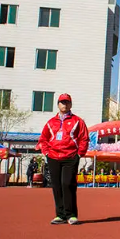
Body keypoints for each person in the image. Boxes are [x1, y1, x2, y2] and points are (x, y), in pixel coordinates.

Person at [37, 94, 89, 225]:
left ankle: (71, 215)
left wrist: (79, 154)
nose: (64, 105)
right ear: (58, 104)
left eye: (67, 102)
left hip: (70, 156)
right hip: (53, 157)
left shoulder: (77, 121)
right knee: (56, 185)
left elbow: (84, 138)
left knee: (67, 184)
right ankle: (60, 215)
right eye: (62, 102)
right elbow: (43, 139)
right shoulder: (50, 122)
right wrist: (46, 152)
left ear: (70, 105)